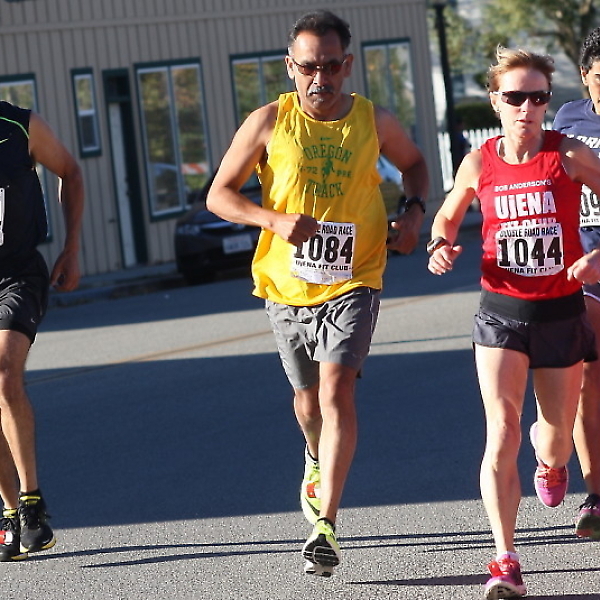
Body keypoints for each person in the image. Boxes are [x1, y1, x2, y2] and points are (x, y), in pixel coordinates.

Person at [207, 9, 428, 577]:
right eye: (309, 67)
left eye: (331, 66)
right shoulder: (268, 122)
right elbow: (219, 195)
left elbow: (414, 165)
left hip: (355, 278)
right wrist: (273, 220)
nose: (320, 78)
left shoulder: (373, 120)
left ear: (347, 65)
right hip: (286, 286)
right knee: (308, 405)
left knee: (336, 392)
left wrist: (413, 212)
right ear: (291, 67)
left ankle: (325, 525)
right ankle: (313, 454)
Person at [427, 47, 600, 599]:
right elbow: (448, 213)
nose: (527, 108)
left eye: (538, 97)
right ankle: (505, 559)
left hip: (561, 313)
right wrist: (440, 244)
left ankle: (551, 461)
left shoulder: (569, 153)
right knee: (499, 431)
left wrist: (598, 257)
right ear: (495, 101)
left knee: (555, 439)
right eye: (515, 97)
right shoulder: (479, 162)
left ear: (548, 101)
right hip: (501, 313)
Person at [0, 102, 84, 561]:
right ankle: (11, 512)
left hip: (16, 275)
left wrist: (71, 249)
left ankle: (31, 501)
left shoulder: (19, 125)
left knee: (4, 372)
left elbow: (70, 171)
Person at [552, 26, 600, 541]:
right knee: (589, 379)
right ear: (585, 75)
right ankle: (596, 494)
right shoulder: (568, 120)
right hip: (583, 266)